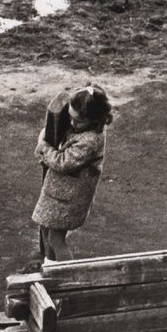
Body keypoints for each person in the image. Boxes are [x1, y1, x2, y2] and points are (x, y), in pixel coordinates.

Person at [32, 84, 113, 264]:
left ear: (95, 120)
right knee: (46, 229)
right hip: (58, 192)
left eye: (79, 121)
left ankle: (64, 273)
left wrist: (43, 146)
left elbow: (63, 162)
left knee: (55, 238)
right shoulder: (82, 128)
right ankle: (49, 264)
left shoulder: (91, 140)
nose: (72, 124)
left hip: (69, 198)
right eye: (70, 117)